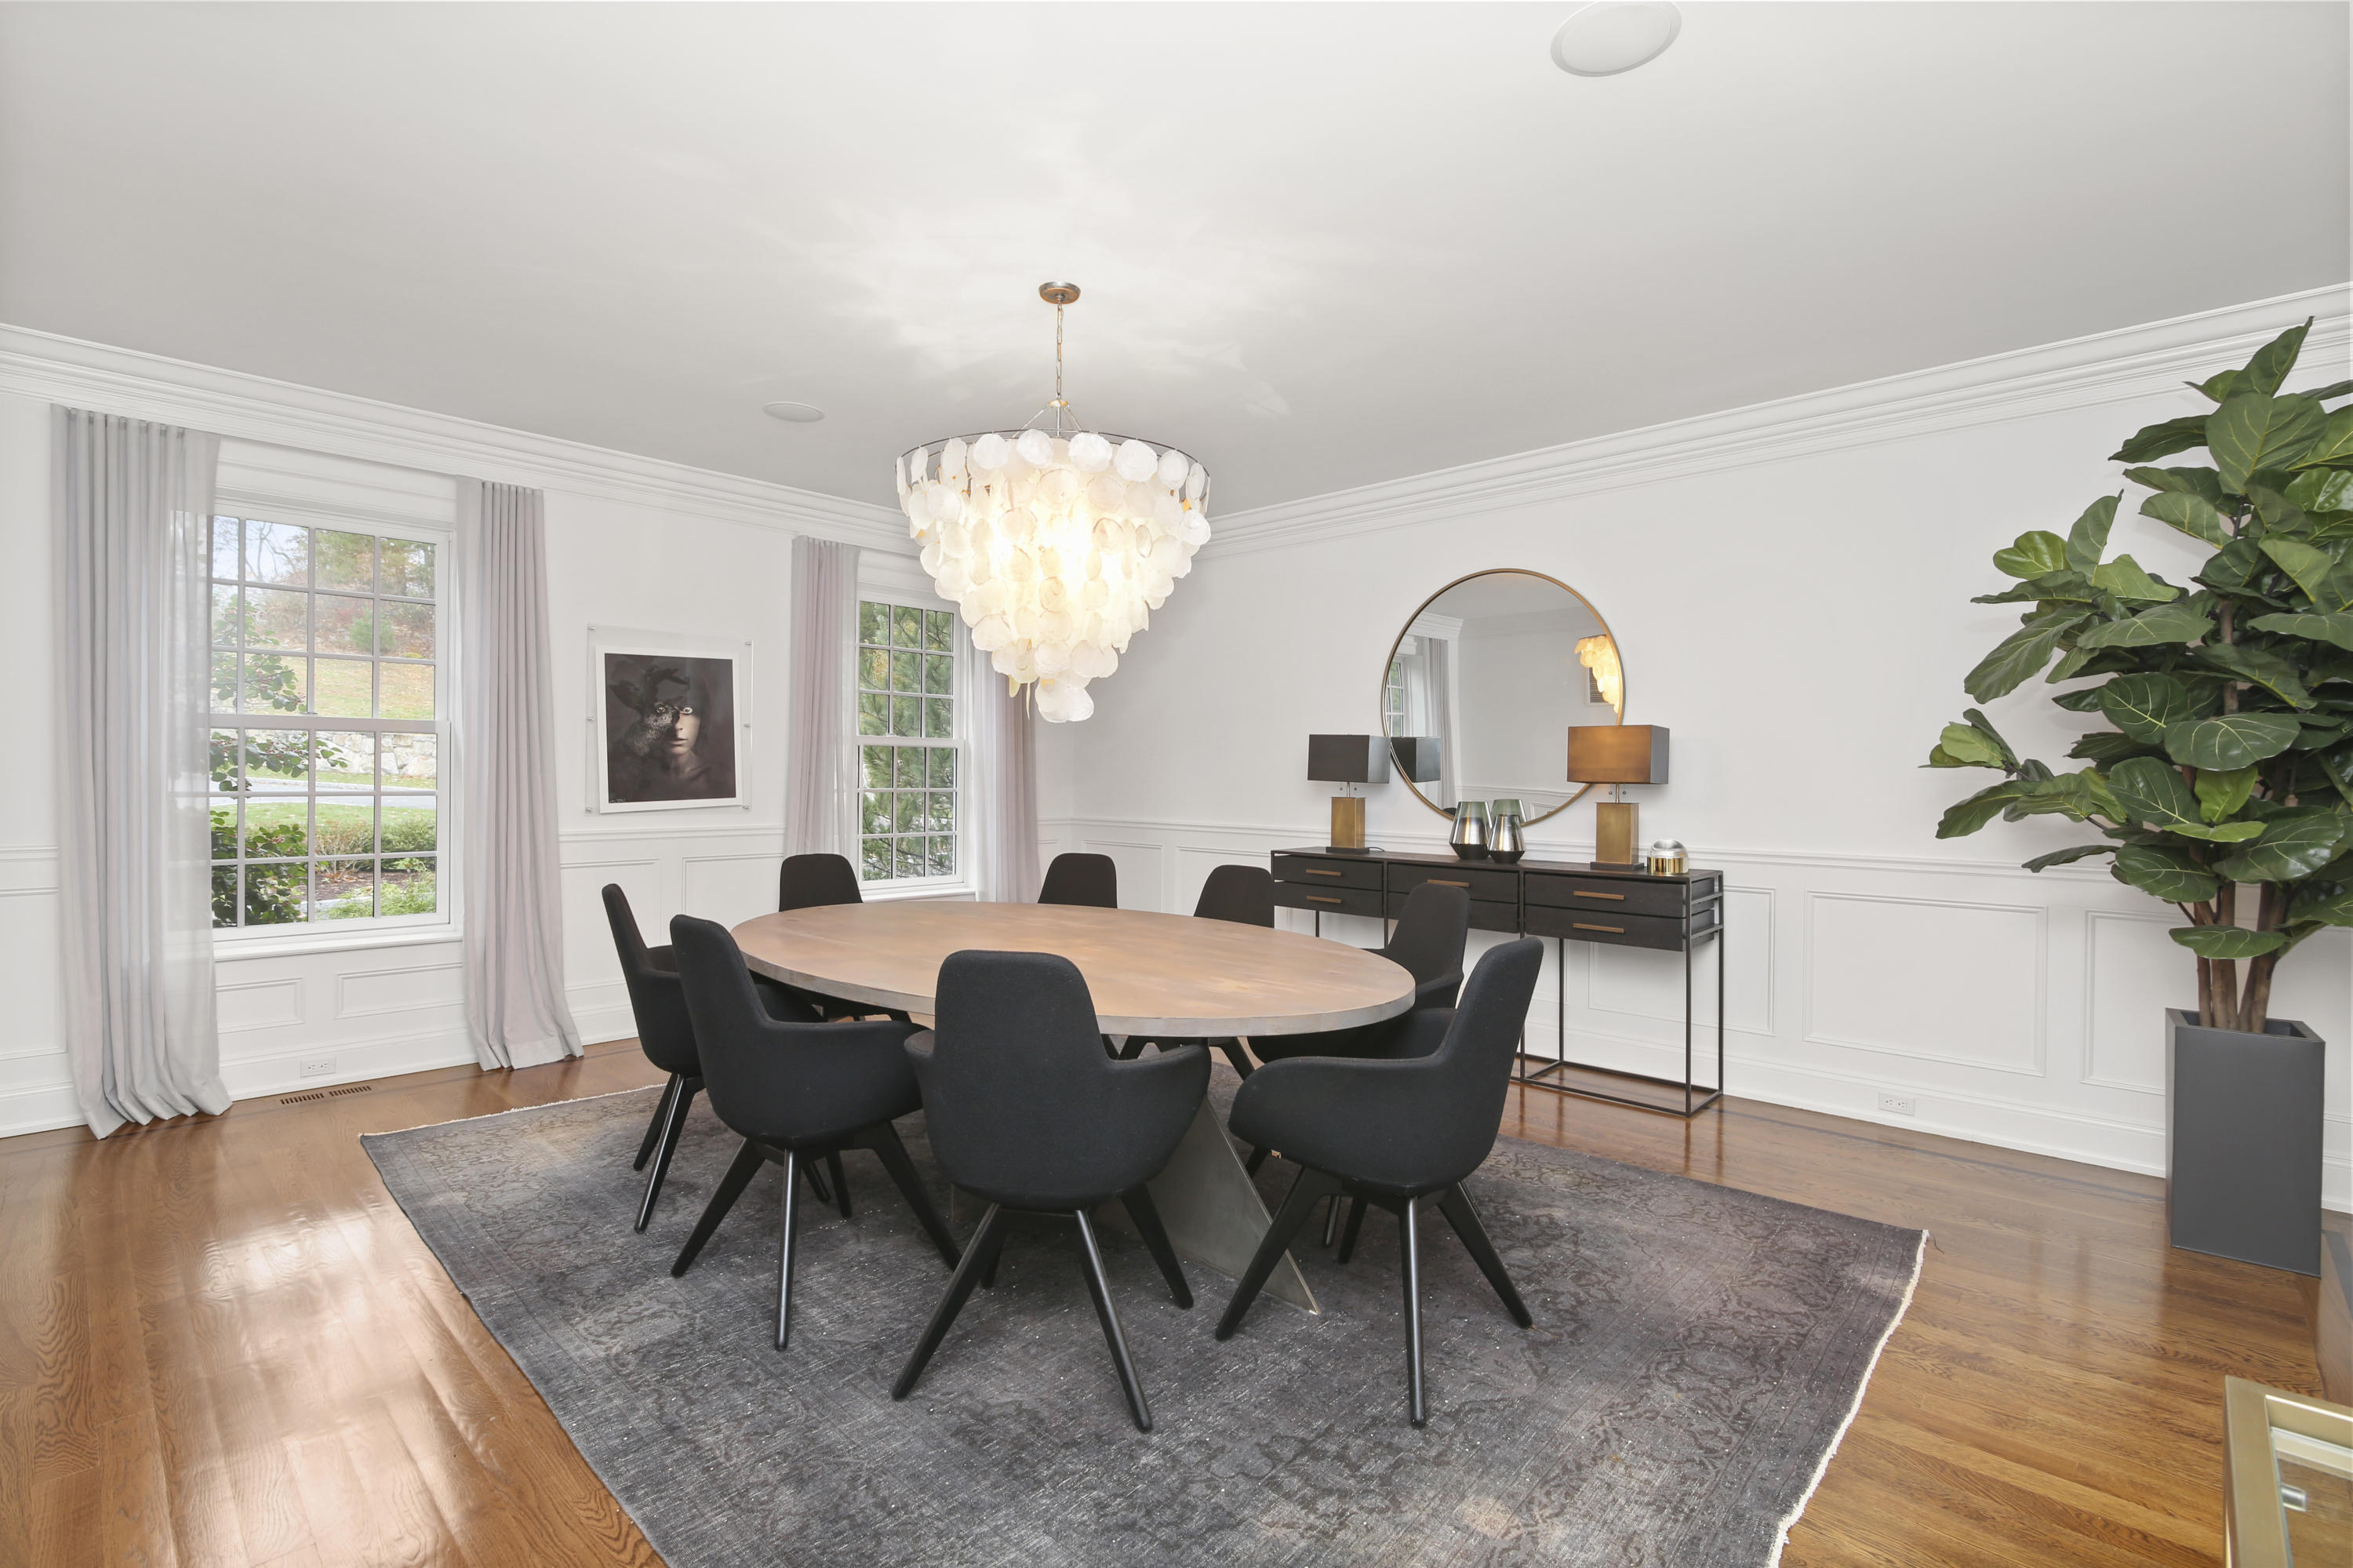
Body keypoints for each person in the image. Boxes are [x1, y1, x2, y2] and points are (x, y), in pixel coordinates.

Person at [608, 662, 730, 802]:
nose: (676, 726)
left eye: (687, 711)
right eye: (661, 711)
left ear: (702, 715)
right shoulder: (630, 779)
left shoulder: (723, 779)